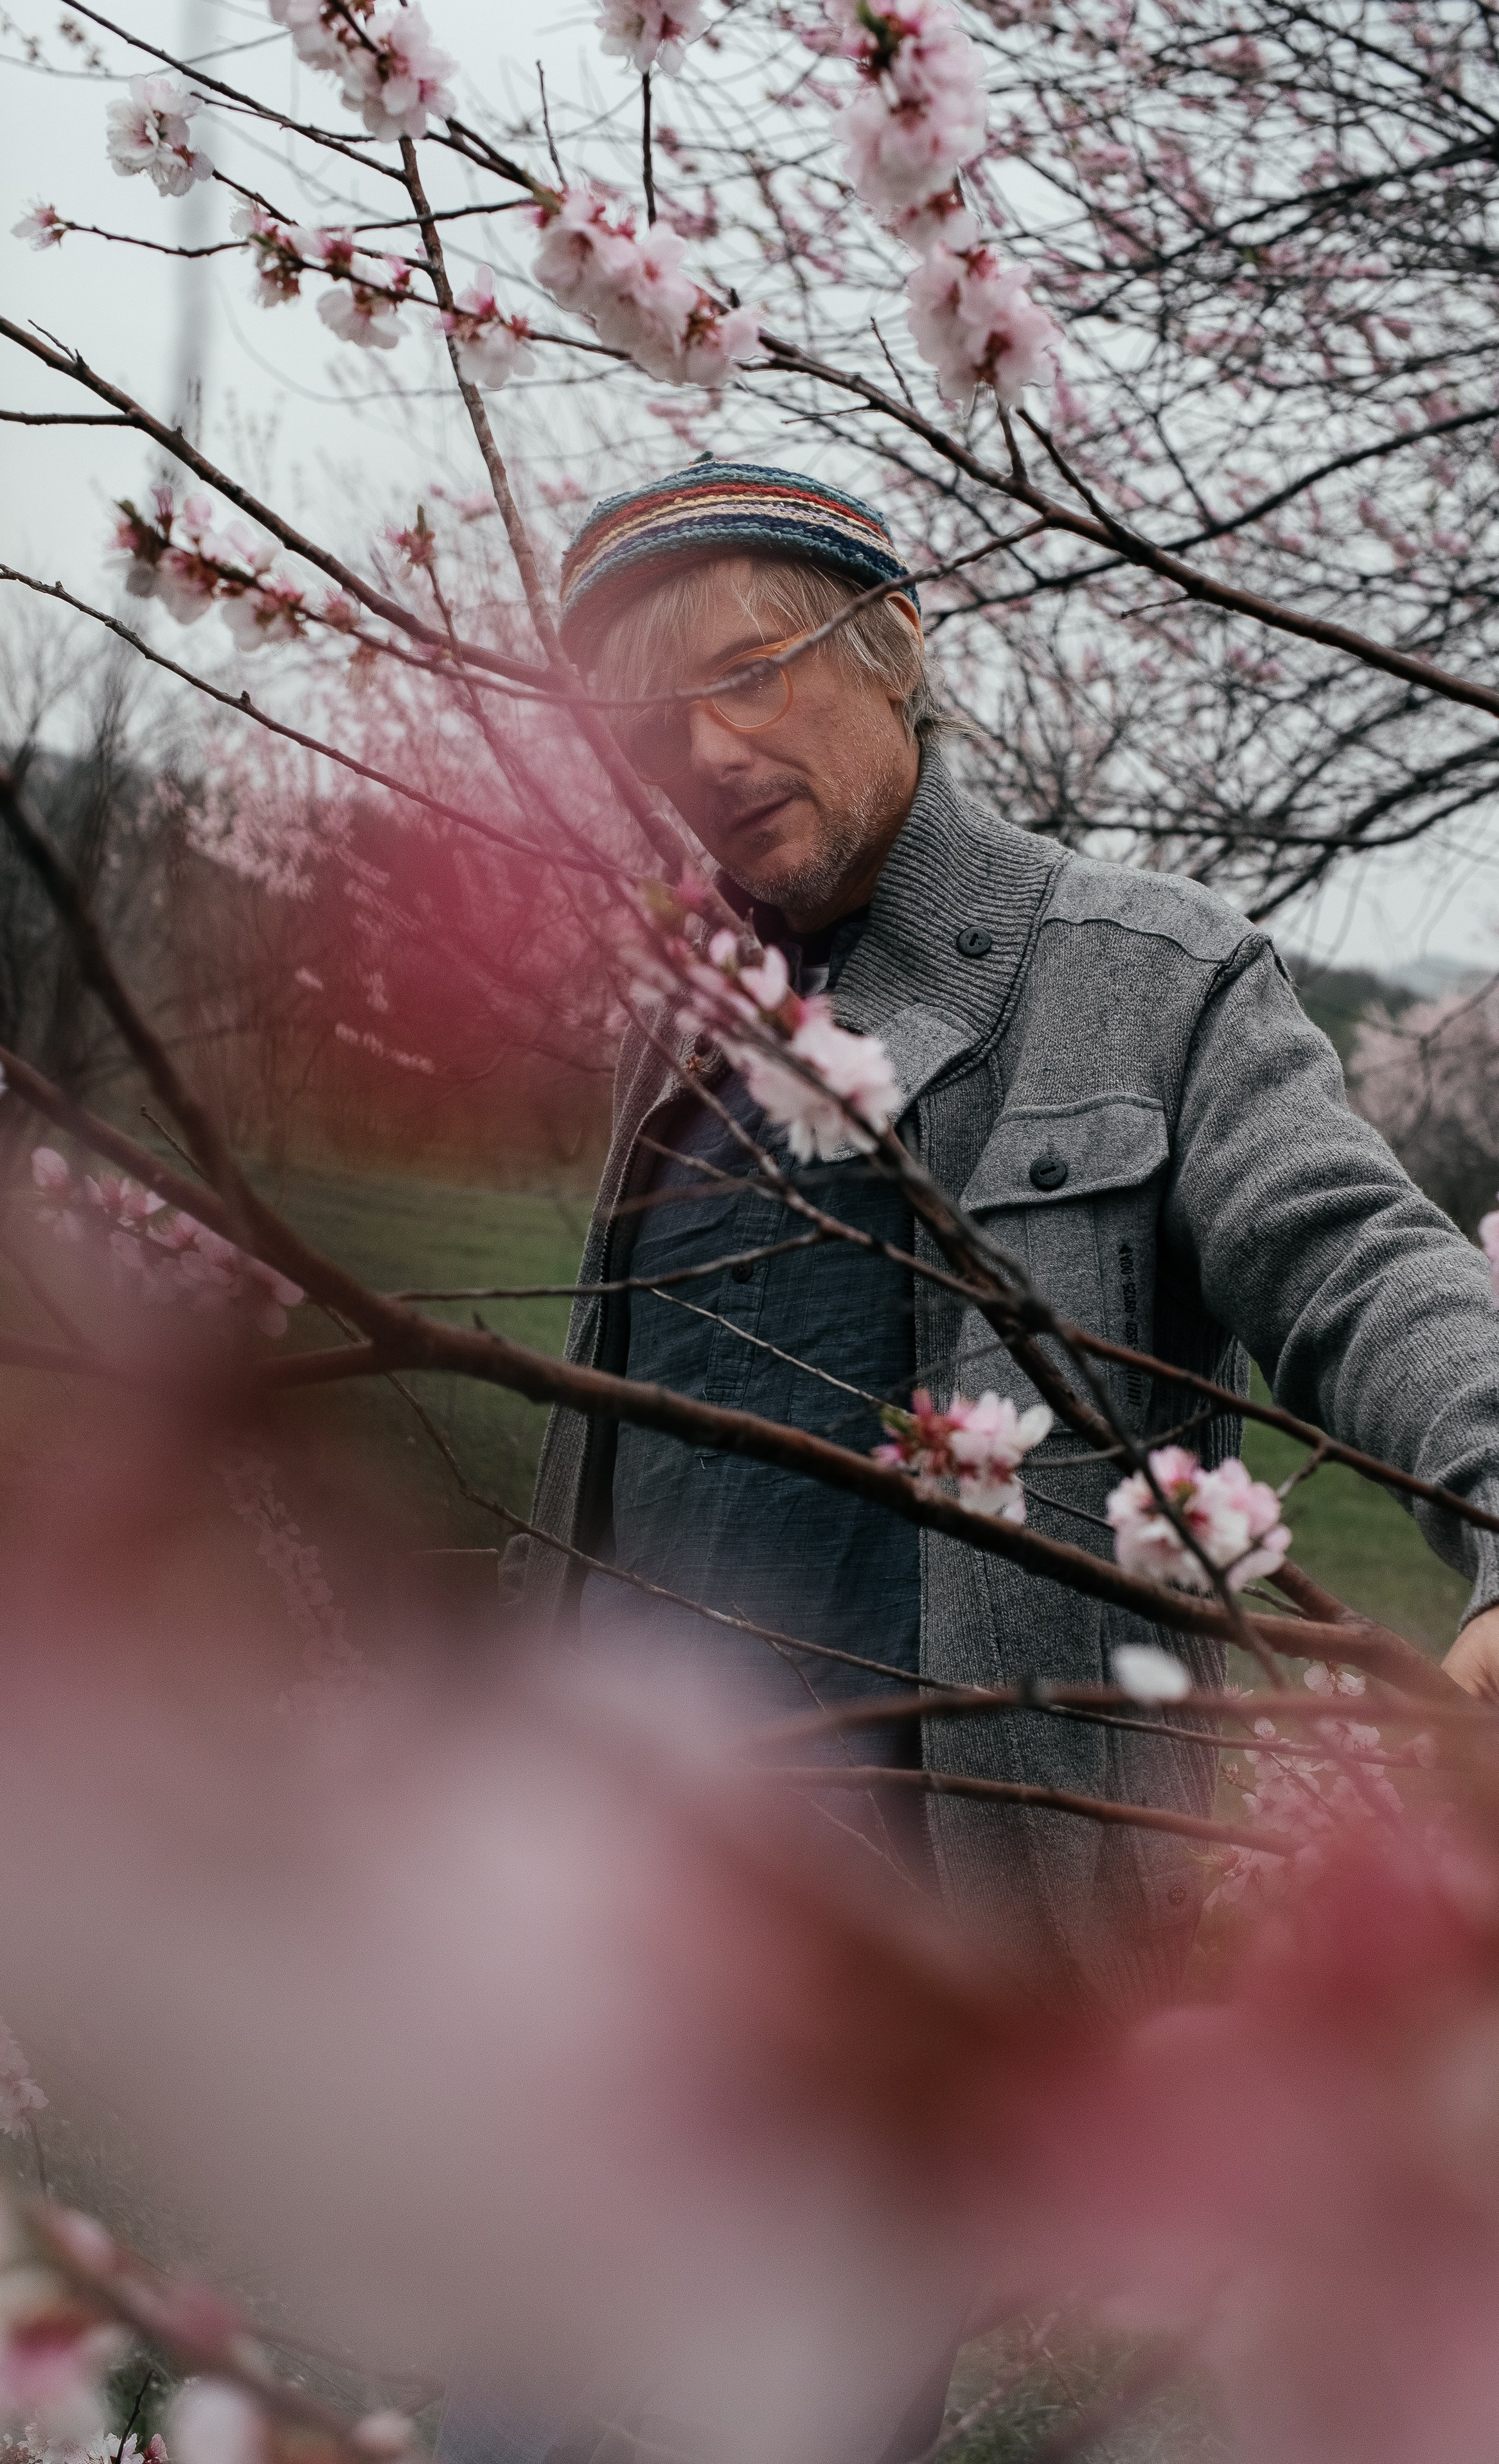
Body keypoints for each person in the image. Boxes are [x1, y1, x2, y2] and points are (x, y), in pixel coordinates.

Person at [451, 459, 1499, 2463]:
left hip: (924, 1997)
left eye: (751, 671)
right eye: (651, 725)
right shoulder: (687, 1029)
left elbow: (1365, 1269)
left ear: (899, 646)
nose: (707, 753)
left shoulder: (1148, 977)